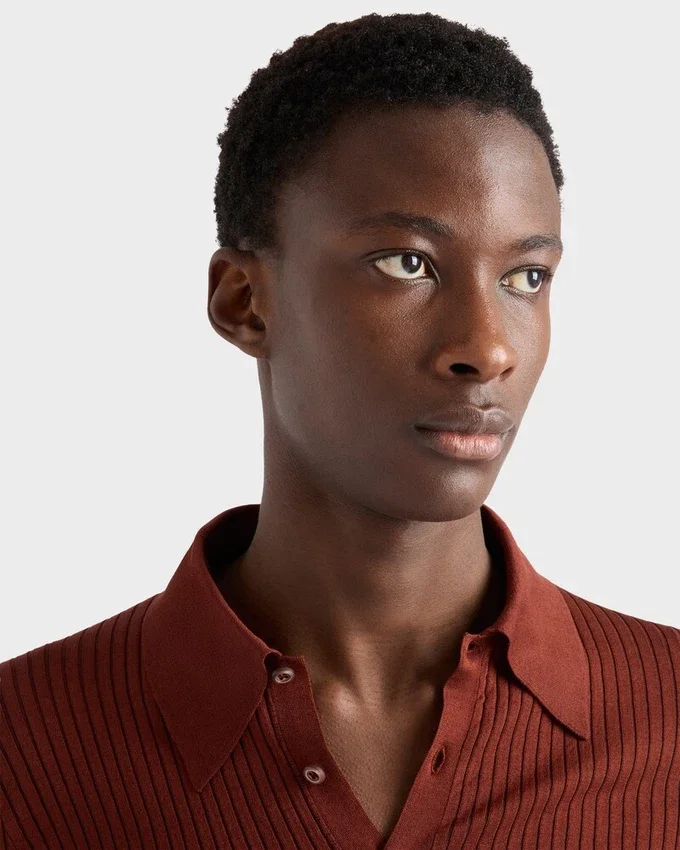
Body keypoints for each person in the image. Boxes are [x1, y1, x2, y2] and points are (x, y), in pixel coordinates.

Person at [1, 12, 678, 850]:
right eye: (407, 263)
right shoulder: (24, 750)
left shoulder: (668, 722)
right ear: (244, 303)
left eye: (525, 276)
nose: (488, 348)